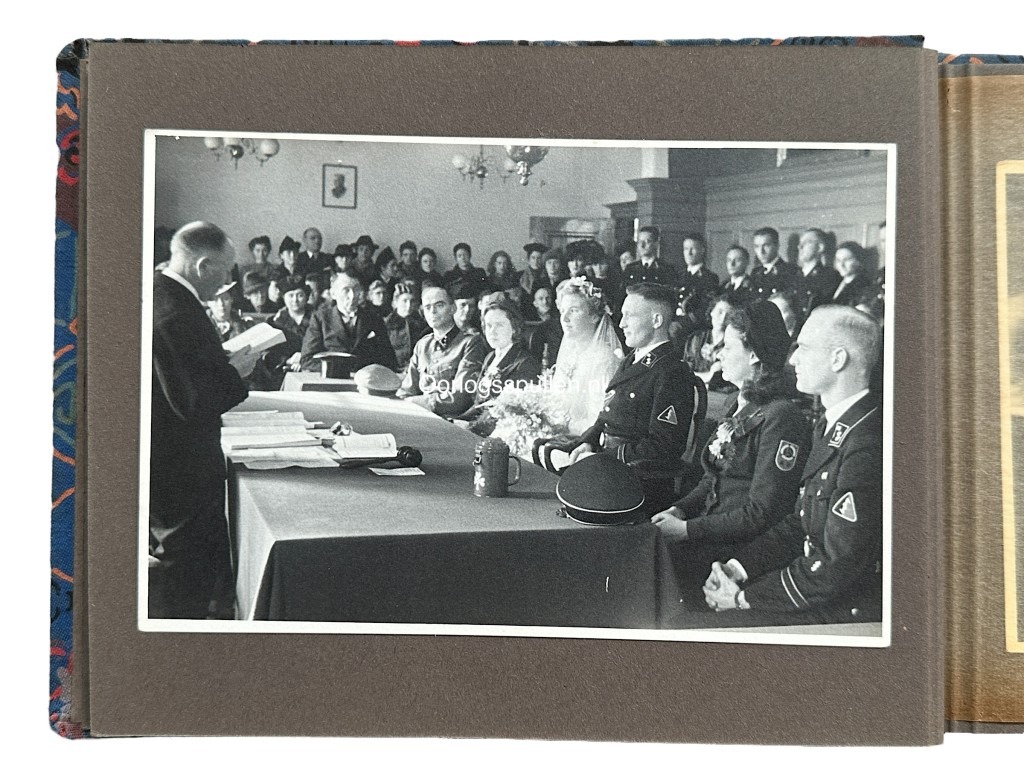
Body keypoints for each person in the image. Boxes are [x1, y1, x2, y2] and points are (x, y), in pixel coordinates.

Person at [701, 304, 883, 625]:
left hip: (845, 609)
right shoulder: (831, 426)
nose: (793, 358)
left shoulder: (866, 441)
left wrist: (744, 598)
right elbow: (799, 523)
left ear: (838, 359)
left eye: (804, 348)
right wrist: (737, 568)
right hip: (813, 589)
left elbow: (836, 565)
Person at [651, 301, 811, 605]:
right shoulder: (737, 403)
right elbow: (712, 478)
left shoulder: (781, 416)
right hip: (708, 534)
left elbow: (762, 512)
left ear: (753, 354)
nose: (718, 353)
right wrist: (680, 510)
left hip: (737, 551)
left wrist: (687, 530)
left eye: (727, 345)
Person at [149, 221, 260, 619]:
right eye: (226, 271)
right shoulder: (175, 310)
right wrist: (236, 373)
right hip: (180, 469)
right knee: (185, 570)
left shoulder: (163, 293)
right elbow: (192, 403)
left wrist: (220, 362)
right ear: (202, 266)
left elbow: (184, 369)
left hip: (173, 461)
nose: (228, 282)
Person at [563, 282, 696, 514]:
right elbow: (609, 412)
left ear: (656, 321)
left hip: (637, 484)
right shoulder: (633, 359)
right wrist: (588, 441)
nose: (622, 323)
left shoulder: (671, 372)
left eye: (630, 316)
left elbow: (664, 447)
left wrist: (602, 458)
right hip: (611, 472)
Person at [397, 285, 487, 416]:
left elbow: (460, 397)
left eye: (439, 305)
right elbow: (407, 390)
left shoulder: (471, 343)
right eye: (427, 307)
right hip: (420, 416)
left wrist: (419, 402)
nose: (432, 311)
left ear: (453, 308)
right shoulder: (422, 345)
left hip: (452, 420)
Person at [454, 300, 542, 427]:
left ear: (514, 328)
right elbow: (479, 405)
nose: (492, 331)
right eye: (488, 325)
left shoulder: (526, 364)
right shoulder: (490, 357)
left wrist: (470, 426)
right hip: (478, 425)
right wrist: (456, 421)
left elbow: (508, 413)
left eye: (499, 325)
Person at [299, 271, 398, 372]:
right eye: (346, 290)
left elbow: (389, 360)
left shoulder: (374, 319)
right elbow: (307, 360)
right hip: (332, 378)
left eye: (356, 289)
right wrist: (341, 370)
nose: (352, 296)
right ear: (333, 294)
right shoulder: (320, 319)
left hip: (365, 378)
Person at [266, 274, 313, 374]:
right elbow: (270, 353)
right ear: (283, 297)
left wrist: (304, 359)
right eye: (290, 295)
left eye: (300, 295)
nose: (295, 300)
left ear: (306, 297)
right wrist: (288, 360)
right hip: (283, 369)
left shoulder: (318, 318)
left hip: (311, 367)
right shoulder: (275, 322)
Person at [676, 233, 720, 334]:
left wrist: (681, 324)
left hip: (693, 330)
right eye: (686, 249)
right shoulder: (678, 275)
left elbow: (705, 308)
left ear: (702, 250)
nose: (689, 253)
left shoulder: (709, 278)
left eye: (693, 249)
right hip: (673, 327)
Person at [795, 228, 841, 318]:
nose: (800, 247)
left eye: (807, 242)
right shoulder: (793, 274)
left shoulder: (830, 276)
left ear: (820, 247)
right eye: (800, 243)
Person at [385, 282, 429, 372]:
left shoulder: (423, 325)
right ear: (396, 302)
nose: (408, 305)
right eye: (404, 301)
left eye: (412, 301)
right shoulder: (386, 325)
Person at [749, 227, 800, 302]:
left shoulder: (790, 271)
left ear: (777, 245)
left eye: (766, 245)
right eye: (757, 246)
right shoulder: (756, 272)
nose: (761, 251)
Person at [527, 284, 563, 368]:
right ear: (535, 303)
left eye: (548, 298)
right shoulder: (529, 320)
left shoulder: (557, 320)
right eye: (541, 299)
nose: (545, 302)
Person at [831, 241, 873, 307]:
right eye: (838, 260)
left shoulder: (863, 286)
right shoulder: (835, 282)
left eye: (846, 260)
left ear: (858, 261)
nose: (841, 265)